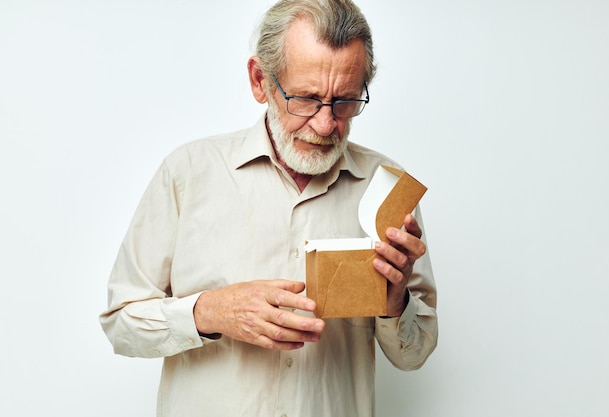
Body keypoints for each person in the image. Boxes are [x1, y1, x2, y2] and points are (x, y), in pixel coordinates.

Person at [99, 0, 437, 416]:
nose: (326, 124)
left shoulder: (387, 187)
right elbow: (120, 325)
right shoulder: (188, 172)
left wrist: (396, 298)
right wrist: (212, 311)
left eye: (345, 101)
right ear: (260, 80)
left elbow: (414, 354)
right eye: (307, 99)